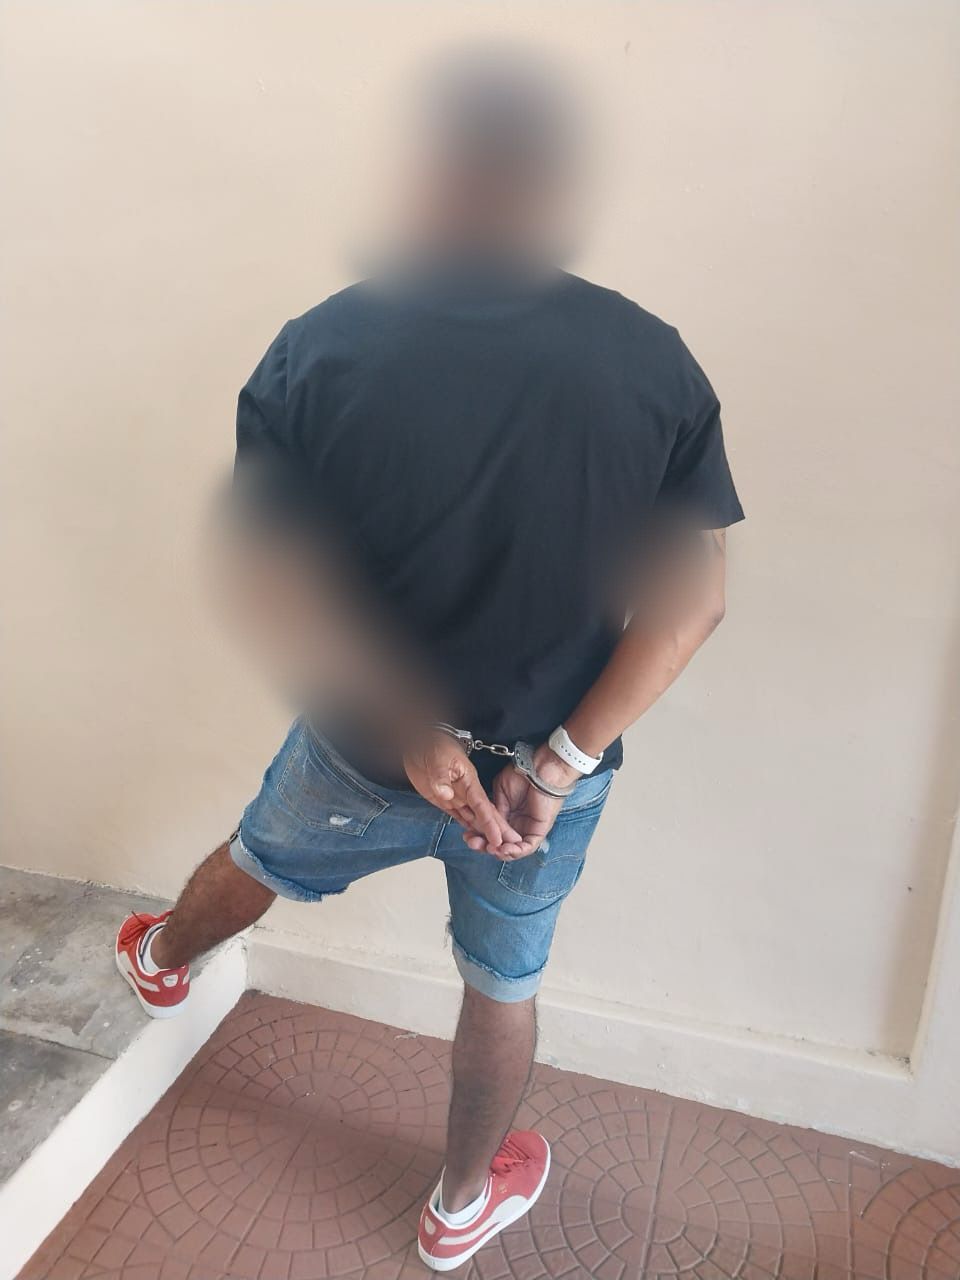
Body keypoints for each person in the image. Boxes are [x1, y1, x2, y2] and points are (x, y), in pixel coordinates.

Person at [114, 45, 743, 1273]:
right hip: (544, 778)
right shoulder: (652, 360)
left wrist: (411, 724)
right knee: (504, 980)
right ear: (551, 186)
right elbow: (695, 597)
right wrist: (557, 765)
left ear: (432, 175)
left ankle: (160, 957)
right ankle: (459, 1204)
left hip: (366, 745)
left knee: (262, 853)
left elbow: (279, 575)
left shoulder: (320, 348)